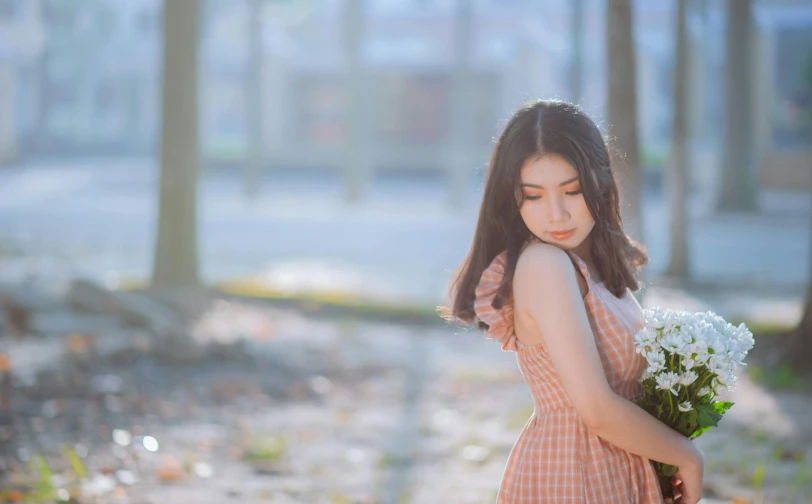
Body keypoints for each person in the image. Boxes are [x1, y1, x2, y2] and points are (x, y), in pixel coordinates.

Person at [440, 100, 704, 503]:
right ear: (513, 198)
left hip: (617, 468)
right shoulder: (544, 264)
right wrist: (687, 456)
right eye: (534, 196)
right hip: (575, 473)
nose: (557, 214)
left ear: (599, 183)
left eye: (572, 190)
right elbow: (596, 409)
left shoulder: (589, 261)